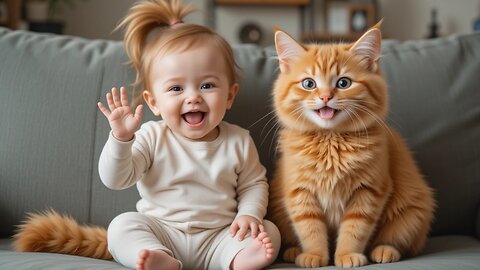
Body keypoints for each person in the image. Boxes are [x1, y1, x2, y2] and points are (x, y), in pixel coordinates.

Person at [96, 0, 280, 269]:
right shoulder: (151, 136)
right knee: (121, 226)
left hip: (221, 236)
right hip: (162, 232)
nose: (193, 97)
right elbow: (115, 179)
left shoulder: (239, 140)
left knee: (269, 230)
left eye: (207, 85)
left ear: (230, 95)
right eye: (176, 89)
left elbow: (254, 185)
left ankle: (237, 259)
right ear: (154, 102)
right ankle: (158, 257)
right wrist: (121, 139)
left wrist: (249, 214)